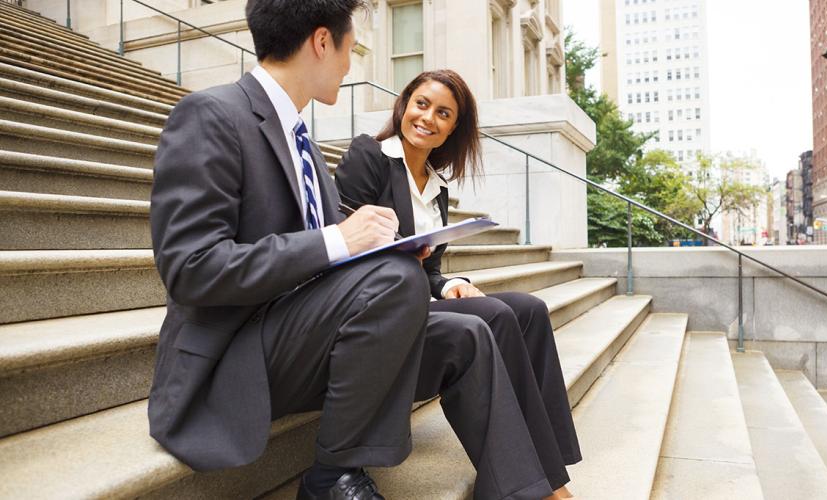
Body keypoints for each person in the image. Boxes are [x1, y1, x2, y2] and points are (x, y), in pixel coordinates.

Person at [148, 2, 555, 499]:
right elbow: (192, 269)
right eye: (350, 46)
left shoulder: (305, 143)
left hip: (304, 337)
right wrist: (342, 239)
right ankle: (332, 476)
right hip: (235, 357)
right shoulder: (211, 114)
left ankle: (529, 492)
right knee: (395, 279)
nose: (349, 61)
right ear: (322, 42)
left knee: (466, 333)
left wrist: (394, 249)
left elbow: (328, 268)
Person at [335, 69, 582, 500]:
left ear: (453, 128)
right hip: (377, 307)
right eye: (422, 104)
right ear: (404, 105)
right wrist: (398, 252)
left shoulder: (437, 187)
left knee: (530, 309)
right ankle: (539, 487)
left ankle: (550, 466)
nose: (428, 118)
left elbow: (430, 269)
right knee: (497, 316)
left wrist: (451, 285)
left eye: (443, 113)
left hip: (416, 298)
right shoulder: (370, 156)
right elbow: (344, 240)